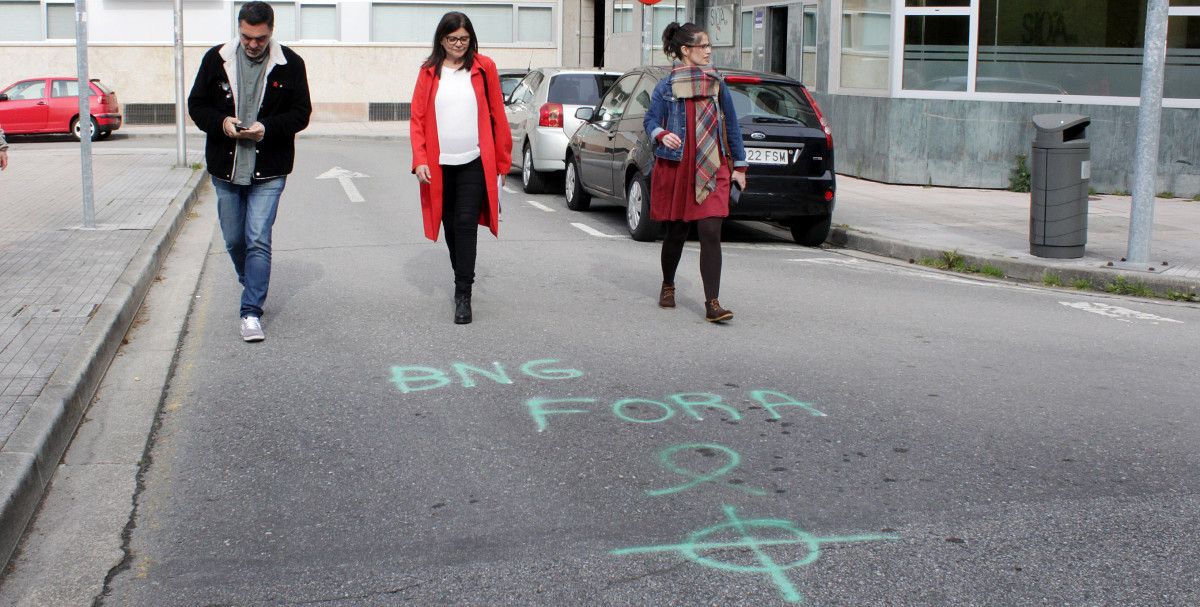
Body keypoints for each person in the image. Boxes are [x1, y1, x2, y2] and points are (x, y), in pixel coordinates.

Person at [187, 1, 311, 342]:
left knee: (257, 238)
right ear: (238, 30)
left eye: (260, 38)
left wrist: (266, 128)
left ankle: (251, 311)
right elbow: (196, 106)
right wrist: (223, 123)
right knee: (234, 238)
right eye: (246, 37)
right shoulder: (217, 59)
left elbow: (301, 114)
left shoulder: (290, 64)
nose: (253, 44)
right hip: (225, 168)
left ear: (271, 31)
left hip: (269, 169)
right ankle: (252, 282)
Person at [410, 12, 512, 325]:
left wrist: (503, 160)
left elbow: (497, 113)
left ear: (472, 40)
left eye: (464, 39)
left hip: (475, 161)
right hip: (440, 166)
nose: (458, 44)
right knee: (451, 226)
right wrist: (420, 159)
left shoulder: (485, 68)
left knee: (466, 223)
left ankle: (463, 293)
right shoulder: (428, 72)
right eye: (453, 39)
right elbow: (417, 119)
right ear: (441, 39)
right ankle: (461, 275)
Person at [644, 22, 747, 323]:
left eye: (709, 45)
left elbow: (733, 126)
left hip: (711, 165)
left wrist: (739, 165)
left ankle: (712, 303)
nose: (708, 51)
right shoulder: (666, 87)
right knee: (675, 233)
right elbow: (650, 121)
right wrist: (662, 133)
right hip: (678, 166)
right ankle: (668, 284)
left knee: (711, 231)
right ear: (685, 50)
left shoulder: (717, 84)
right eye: (703, 46)